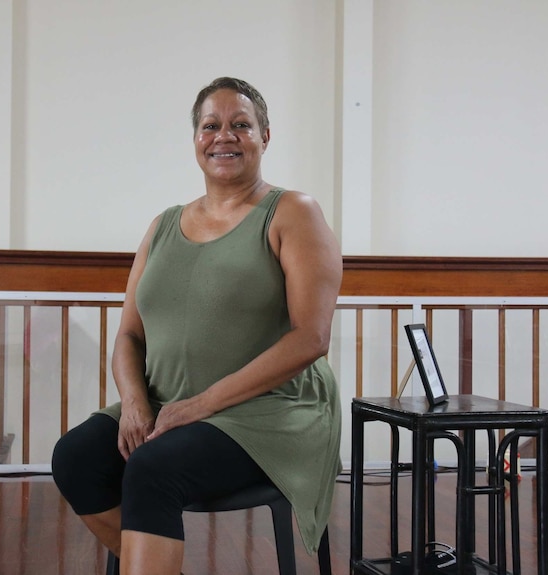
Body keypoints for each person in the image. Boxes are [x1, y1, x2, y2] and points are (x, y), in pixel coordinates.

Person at [51, 76, 342, 575]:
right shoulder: (163, 224)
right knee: (75, 457)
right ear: (196, 140)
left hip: (268, 413)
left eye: (241, 125)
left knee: (152, 467)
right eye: (211, 126)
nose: (223, 136)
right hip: (170, 402)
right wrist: (135, 406)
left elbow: (311, 339)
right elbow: (128, 335)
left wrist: (199, 406)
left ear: (265, 137)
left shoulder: (293, 212)